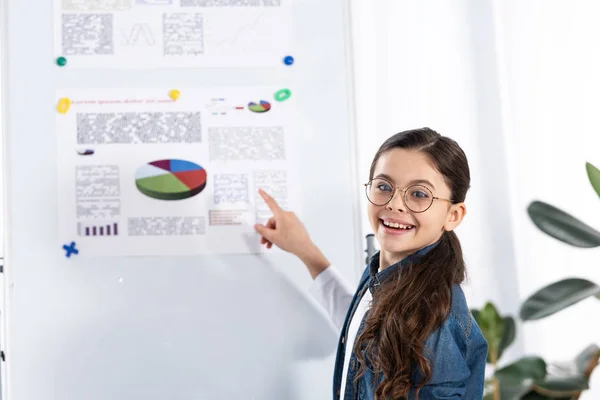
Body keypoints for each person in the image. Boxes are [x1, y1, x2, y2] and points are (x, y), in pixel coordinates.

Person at [254, 128, 488, 399]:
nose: (395, 204)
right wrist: (305, 250)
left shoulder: (436, 320)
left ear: (453, 215)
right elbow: (364, 328)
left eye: (419, 194)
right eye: (384, 187)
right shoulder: (385, 273)